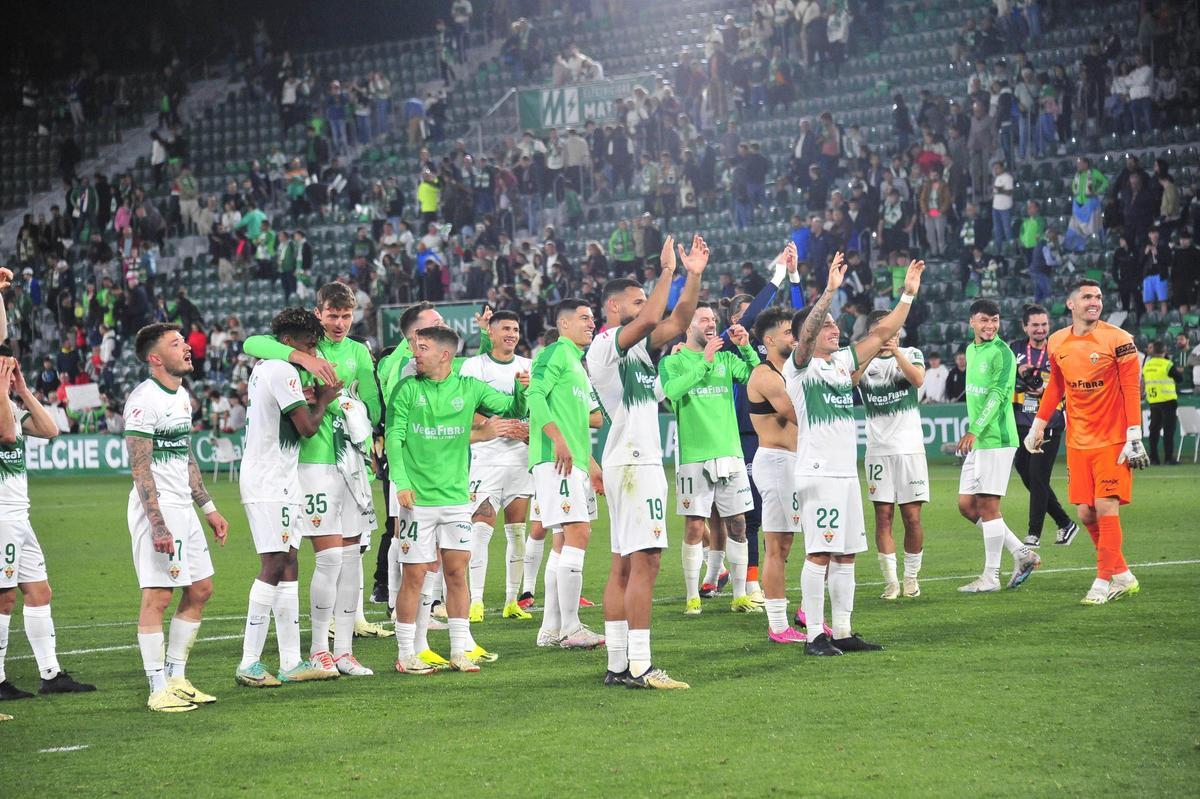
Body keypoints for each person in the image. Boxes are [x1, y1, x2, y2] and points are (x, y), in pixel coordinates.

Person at [783, 252, 923, 656]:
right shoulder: (800, 367)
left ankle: (842, 631)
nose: (835, 328)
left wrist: (907, 295)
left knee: (846, 555)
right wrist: (828, 292)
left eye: (834, 323)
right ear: (806, 335)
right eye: (826, 324)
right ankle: (814, 635)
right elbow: (807, 336)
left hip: (845, 474)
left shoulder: (842, 363)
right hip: (819, 473)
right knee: (820, 553)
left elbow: (883, 334)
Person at [241, 283, 383, 677]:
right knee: (329, 557)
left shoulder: (358, 352)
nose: (339, 323)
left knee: (352, 557)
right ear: (318, 314)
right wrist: (303, 360)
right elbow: (253, 343)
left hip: (351, 461)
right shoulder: (301, 348)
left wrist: (351, 409)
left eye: (346, 316)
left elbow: (372, 406)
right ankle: (319, 648)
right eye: (332, 315)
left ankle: (345, 651)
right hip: (313, 462)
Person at [587, 234, 706, 690]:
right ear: (614, 307)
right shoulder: (605, 345)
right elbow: (657, 315)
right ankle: (640, 665)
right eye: (636, 301)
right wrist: (668, 271)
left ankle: (619, 664)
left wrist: (692, 275)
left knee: (623, 563)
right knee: (647, 561)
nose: (644, 306)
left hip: (630, 462)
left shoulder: (633, 350)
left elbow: (678, 319)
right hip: (636, 464)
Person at [386, 326, 527, 674]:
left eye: (422, 348)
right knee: (415, 575)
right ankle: (406, 654)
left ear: (444, 355)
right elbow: (394, 437)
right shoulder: (407, 389)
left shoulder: (469, 388)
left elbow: (510, 407)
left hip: (456, 500)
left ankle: (459, 650)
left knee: (456, 573)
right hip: (418, 500)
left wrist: (521, 391)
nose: (415, 354)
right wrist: (401, 482)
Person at [124, 323, 230, 712]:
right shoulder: (143, 400)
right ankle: (157, 689)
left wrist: (208, 507)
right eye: (175, 343)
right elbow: (140, 467)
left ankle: (176, 677)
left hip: (183, 506)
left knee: (201, 589)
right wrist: (157, 523)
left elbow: (184, 455)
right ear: (155, 358)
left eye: (184, 341)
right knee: (159, 595)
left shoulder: (182, 395)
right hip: (159, 508)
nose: (186, 347)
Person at [235, 309, 342, 688]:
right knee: (275, 563)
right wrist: (323, 400)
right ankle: (249, 662)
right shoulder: (282, 370)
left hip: (280, 479)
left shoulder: (270, 369)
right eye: (308, 345)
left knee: (290, 562)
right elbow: (307, 428)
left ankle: (291, 661)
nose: (312, 353)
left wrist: (308, 397)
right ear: (287, 343)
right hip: (269, 482)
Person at [1025, 279, 1147, 604]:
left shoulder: (1119, 340)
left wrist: (1134, 434)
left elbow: (1131, 388)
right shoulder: (1056, 341)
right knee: (1086, 514)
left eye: (1098, 297)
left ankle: (1102, 581)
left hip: (1113, 440)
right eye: (1087, 297)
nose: (1095, 302)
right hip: (1078, 441)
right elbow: (1056, 385)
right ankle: (1123, 575)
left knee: (1106, 506)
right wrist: (1038, 425)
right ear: (1071, 304)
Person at [0, 351, 96, 707]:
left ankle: (51, 675)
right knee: (4, 597)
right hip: (1, 516)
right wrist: (2, 389)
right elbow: (6, 435)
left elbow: (50, 430)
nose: (10, 373)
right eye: (6, 368)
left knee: (40, 592)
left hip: (19, 516)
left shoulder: (12, 405)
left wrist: (23, 390)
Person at [660, 302, 760, 615]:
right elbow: (672, 392)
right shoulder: (672, 361)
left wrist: (746, 348)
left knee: (738, 524)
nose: (711, 323)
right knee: (694, 526)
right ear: (687, 326)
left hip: (729, 451)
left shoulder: (727, 359)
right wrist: (704, 362)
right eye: (703, 319)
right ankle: (692, 596)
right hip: (694, 455)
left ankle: (740, 595)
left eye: (713, 319)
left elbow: (758, 379)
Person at [527, 299, 605, 649]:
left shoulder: (577, 364)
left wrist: (592, 464)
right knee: (578, 531)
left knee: (562, 540)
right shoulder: (554, 353)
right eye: (584, 318)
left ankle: (550, 628)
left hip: (573, 461)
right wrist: (557, 438)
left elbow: (592, 419)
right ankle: (572, 628)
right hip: (554, 458)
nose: (592, 323)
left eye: (592, 318)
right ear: (563, 324)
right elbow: (535, 395)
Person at [955, 299, 1042, 594]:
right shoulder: (971, 350)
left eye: (994, 320)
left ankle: (990, 576)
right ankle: (1022, 553)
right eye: (984, 320)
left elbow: (997, 396)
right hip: (981, 441)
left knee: (989, 507)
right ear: (972, 322)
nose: (990, 326)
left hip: (997, 439)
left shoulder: (1003, 353)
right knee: (967, 506)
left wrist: (974, 429)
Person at [459, 311, 534, 623]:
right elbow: (465, 406)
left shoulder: (529, 366)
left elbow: (538, 405)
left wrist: (529, 429)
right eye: (505, 328)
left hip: (519, 459)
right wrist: (496, 425)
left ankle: (511, 600)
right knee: (481, 528)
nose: (512, 334)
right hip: (486, 458)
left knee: (517, 531)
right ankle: (475, 601)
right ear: (490, 332)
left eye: (515, 329)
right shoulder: (474, 366)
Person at [854, 310, 927, 601]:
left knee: (912, 517)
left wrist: (896, 352)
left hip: (910, 450)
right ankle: (891, 582)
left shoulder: (911, 353)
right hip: (878, 451)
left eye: (895, 330)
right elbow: (850, 382)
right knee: (883, 517)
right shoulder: (863, 361)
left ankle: (911, 577)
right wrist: (870, 352)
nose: (892, 335)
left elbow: (918, 380)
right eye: (885, 331)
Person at [746, 306, 805, 643]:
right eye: (787, 332)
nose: (794, 337)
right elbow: (797, 414)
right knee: (777, 547)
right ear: (769, 341)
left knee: (788, 544)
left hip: (793, 462)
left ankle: (801, 614)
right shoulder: (765, 375)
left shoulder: (790, 371)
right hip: (778, 463)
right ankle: (779, 626)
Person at [1011, 304, 1078, 547]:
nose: (1040, 329)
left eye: (1044, 324)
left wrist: (1045, 390)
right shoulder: (1015, 349)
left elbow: (1070, 383)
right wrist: (1018, 376)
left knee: (1038, 477)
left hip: (1049, 421)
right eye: (1035, 325)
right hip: (1021, 420)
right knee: (1027, 475)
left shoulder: (1059, 348)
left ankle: (1034, 534)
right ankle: (1065, 522)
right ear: (1025, 327)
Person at [1141, 341, 1179, 466]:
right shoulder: (1167, 364)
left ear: (1153, 351)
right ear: (1164, 351)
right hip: (1168, 401)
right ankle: (1168, 458)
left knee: (1154, 431)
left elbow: (1143, 381)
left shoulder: (1147, 365)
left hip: (1154, 402)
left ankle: (1154, 458)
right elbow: (1180, 378)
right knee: (1168, 431)